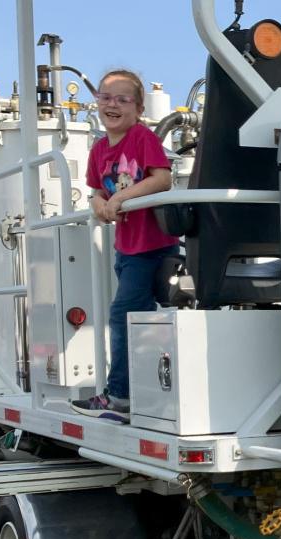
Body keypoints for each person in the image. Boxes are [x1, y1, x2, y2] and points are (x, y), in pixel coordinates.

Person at [70, 68, 179, 424]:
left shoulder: (141, 137)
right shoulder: (99, 149)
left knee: (123, 314)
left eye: (122, 99)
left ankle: (119, 395)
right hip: (126, 247)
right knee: (138, 319)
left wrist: (121, 198)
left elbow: (162, 178)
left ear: (138, 107)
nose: (112, 105)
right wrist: (100, 203)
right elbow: (96, 190)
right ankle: (147, 389)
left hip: (152, 246)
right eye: (105, 97)